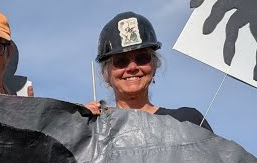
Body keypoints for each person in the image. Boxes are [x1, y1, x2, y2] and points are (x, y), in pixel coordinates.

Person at [84, 11, 213, 131]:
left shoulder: (187, 122)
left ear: (154, 65)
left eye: (142, 58)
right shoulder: (93, 127)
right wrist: (78, 125)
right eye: (121, 61)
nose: (132, 67)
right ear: (105, 74)